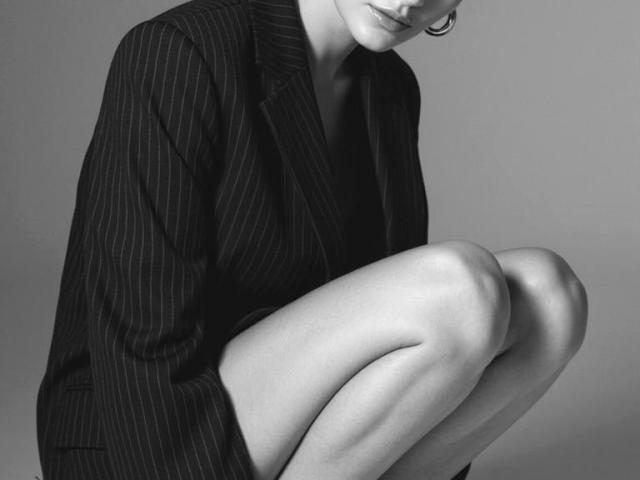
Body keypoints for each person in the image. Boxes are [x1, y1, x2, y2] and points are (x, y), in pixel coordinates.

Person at [36, 0, 589, 478]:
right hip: (146, 430)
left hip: (298, 423)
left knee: (551, 296)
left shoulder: (391, 88)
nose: (410, 0)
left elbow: (388, 337)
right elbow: (141, 340)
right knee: (462, 292)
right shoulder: (177, 52)